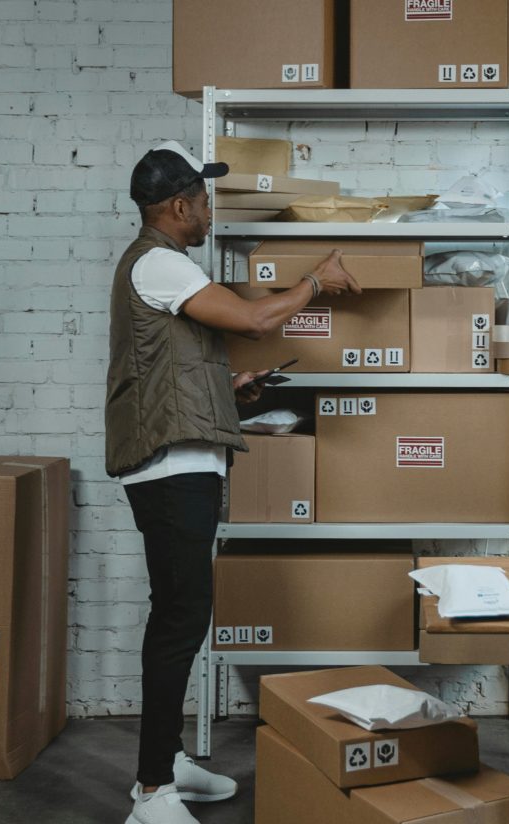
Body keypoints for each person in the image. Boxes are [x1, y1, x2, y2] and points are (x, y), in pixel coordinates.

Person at [105, 140, 360, 824]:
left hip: (182, 461)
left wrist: (230, 388)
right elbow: (254, 319)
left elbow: (177, 370)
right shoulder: (158, 263)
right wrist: (315, 281)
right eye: (205, 198)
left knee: (183, 616)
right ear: (178, 205)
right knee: (179, 619)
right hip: (169, 470)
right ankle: (152, 790)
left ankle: (167, 760)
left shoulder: (167, 270)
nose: (212, 209)